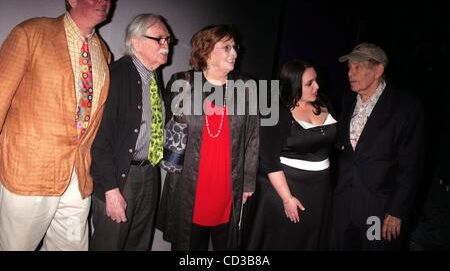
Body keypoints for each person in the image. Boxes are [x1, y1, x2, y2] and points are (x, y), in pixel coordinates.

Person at [0, 0, 113, 250]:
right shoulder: (31, 32)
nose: (104, 0)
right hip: (28, 172)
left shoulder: (103, 52)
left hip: (78, 176)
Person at [157, 24, 259, 251]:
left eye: (235, 47)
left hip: (228, 185)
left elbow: (252, 137)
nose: (234, 53)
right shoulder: (182, 83)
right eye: (226, 47)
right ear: (206, 52)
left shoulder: (245, 87)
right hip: (190, 183)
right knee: (188, 245)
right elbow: (166, 127)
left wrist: (248, 183)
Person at [330, 42, 425, 250]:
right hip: (344, 204)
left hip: (378, 210)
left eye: (357, 67)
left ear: (378, 70)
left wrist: (398, 210)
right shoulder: (347, 101)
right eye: (349, 68)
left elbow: (410, 165)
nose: (350, 73)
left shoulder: (406, 108)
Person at [89, 14, 171, 250]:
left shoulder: (154, 76)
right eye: (159, 39)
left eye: (167, 39)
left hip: (149, 174)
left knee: (139, 244)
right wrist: (110, 190)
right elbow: (99, 139)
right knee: (110, 244)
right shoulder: (116, 75)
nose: (166, 45)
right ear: (136, 43)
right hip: (119, 178)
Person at [245, 59, 337, 250]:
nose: (317, 86)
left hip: (320, 190)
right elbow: (269, 161)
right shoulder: (275, 111)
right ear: (293, 85)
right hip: (286, 188)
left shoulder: (324, 102)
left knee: (311, 241)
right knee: (284, 241)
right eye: (309, 83)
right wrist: (287, 198)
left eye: (316, 80)